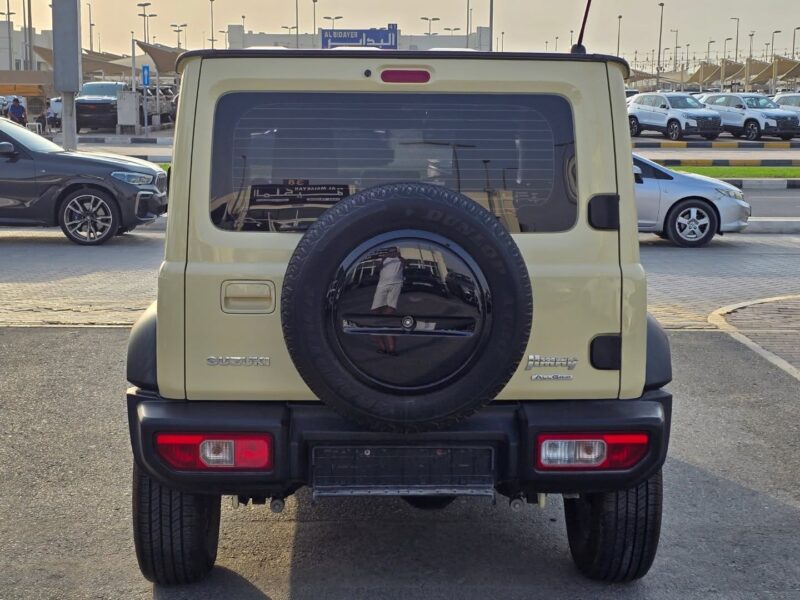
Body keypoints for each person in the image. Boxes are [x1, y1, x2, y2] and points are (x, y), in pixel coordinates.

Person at [370, 247, 405, 356]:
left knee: (390, 310)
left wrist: (399, 256)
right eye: (390, 252)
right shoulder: (384, 259)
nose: (392, 253)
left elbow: (406, 263)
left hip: (396, 284)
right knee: (374, 312)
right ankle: (382, 347)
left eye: (394, 251)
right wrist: (384, 258)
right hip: (382, 285)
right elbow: (377, 269)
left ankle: (391, 349)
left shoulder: (400, 259)